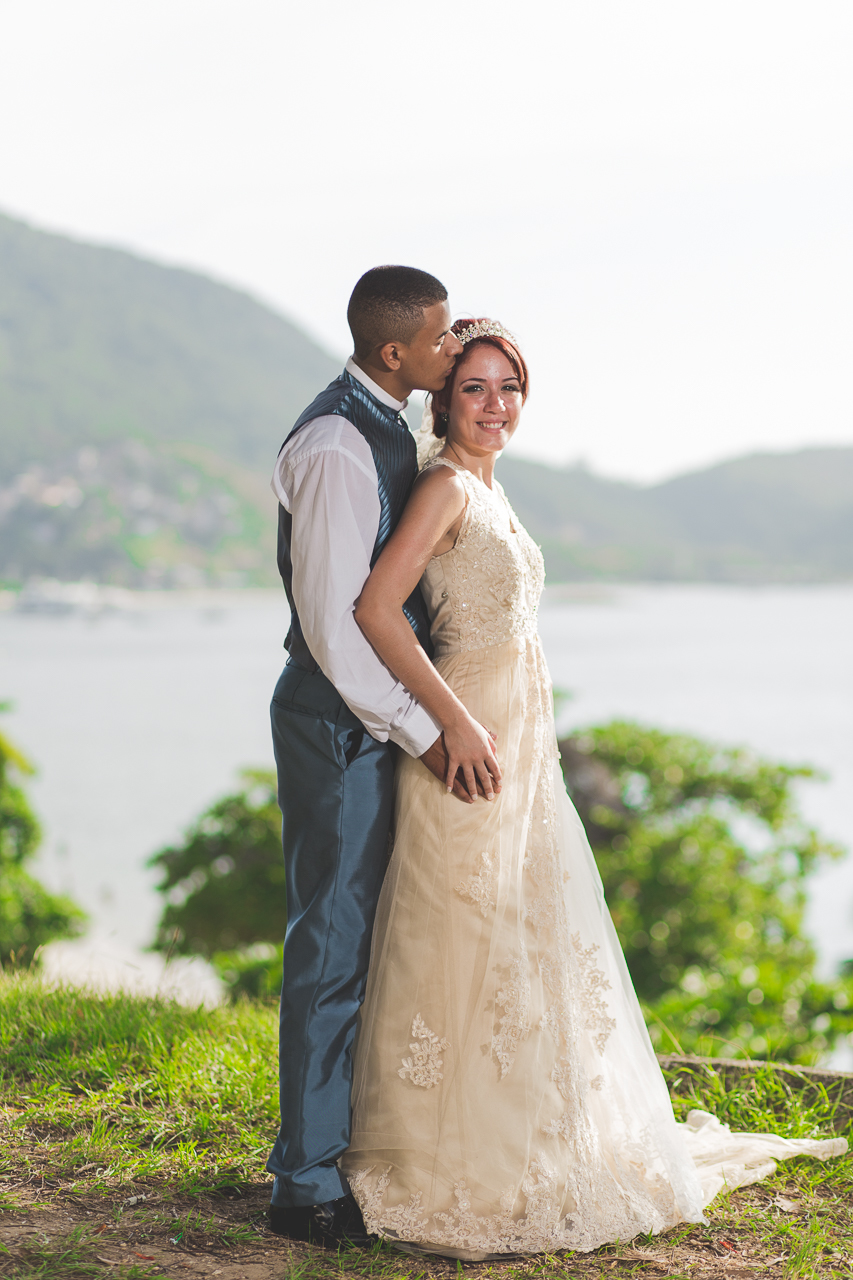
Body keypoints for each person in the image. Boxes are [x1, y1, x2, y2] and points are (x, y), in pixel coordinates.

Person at [340, 319, 847, 1260]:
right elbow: (375, 608)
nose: (493, 407)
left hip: (524, 741)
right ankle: (451, 1167)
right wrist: (450, 721)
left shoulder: (493, 486)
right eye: (474, 390)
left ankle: (534, 1136)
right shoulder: (446, 485)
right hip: (471, 739)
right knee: (462, 937)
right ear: (444, 401)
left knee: (524, 939)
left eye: (508, 390)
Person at [265, 269, 502, 1250]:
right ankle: (304, 1183)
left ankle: (350, 1149)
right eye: (445, 338)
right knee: (331, 945)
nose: (455, 348)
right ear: (398, 352)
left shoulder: (393, 420)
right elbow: (334, 621)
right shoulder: (332, 443)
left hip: (378, 718)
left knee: (374, 944)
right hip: (339, 722)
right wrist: (422, 726)